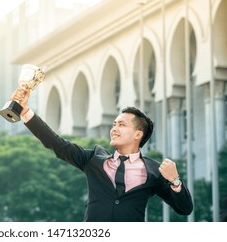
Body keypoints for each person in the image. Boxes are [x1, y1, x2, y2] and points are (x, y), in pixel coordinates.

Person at [10, 88, 193, 222]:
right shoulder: (92, 160)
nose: (114, 129)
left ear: (138, 134)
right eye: (114, 124)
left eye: (121, 125)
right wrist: (25, 112)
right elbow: (56, 143)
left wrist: (175, 181)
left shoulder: (154, 171)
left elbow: (184, 209)